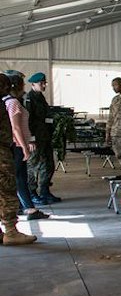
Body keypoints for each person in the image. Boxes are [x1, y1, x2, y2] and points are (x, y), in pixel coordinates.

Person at [3, 71, 50, 222]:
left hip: (14, 144)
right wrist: (24, 146)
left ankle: (22, 206)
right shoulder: (13, 102)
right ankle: (29, 208)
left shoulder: (8, 101)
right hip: (16, 145)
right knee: (19, 177)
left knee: (18, 177)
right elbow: (16, 127)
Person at [0, 73, 37, 245]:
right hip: (2, 153)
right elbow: (15, 128)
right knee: (7, 191)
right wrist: (24, 147)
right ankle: (11, 231)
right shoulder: (7, 103)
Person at [23, 72, 59, 204]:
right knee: (33, 166)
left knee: (48, 165)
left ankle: (44, 191)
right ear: (33, 84)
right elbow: (27, 120)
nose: (44, 85)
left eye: (45, 83)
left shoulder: (40, 97)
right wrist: (31, 139)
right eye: (41, 83)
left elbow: (46, 117)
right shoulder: (29, 99)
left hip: (45, 137)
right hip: (35, 138)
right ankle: (31, 193)